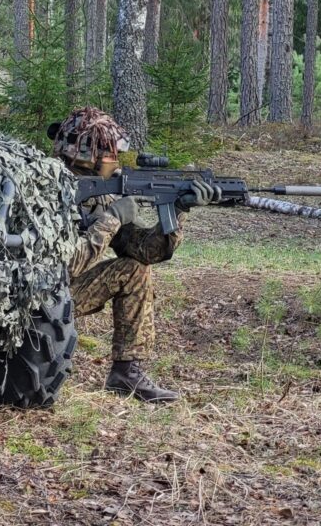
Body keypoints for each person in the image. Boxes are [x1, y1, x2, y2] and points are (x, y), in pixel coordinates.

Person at [51, 107, 220, 402]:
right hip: (39, 296)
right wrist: (113, 217)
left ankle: (126, 373)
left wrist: (179, 209)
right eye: (109, 153)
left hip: (66, 292)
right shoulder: (48, 189)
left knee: (135, 270)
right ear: (87, 154)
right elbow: (65, 266)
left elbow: (145, 252)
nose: (115, 160)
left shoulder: (100, 193)